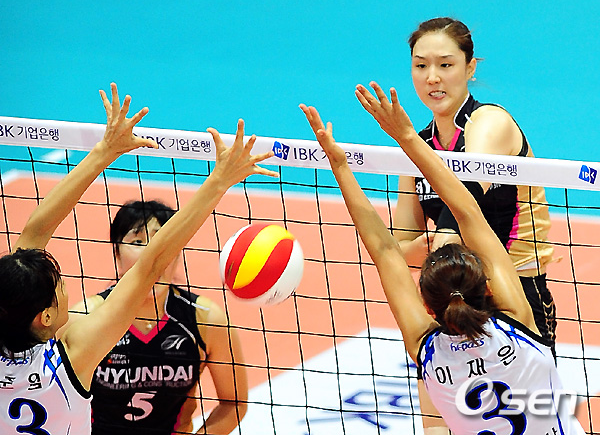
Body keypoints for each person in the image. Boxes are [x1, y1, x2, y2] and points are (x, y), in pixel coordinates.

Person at [0, 83, 277, 435]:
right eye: (60, 288)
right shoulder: (74, 353)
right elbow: (152, 264)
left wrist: (104, 151)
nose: (66, 288)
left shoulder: (21, 323)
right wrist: (219, 181)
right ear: (47, 316)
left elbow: (33, 236)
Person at [300, 91, 584, 434]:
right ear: (489, 287)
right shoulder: (518, 325)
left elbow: (385, 252)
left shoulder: (428, 352)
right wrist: (407, 136)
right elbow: (467, 211)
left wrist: (339, 166)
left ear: (427, 306)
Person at [368, 18, 555, 354]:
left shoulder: (490, 122)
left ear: (470, 68)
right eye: (421, 66)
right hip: (453, 297)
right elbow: (401, 247)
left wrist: (440, 241)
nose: (432, 77)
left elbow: (465, 193)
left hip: (516, 296)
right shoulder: (418, 146)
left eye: (445, 65)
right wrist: (426, 248)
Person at [63, 199, 248, 435]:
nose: (151, 253)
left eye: (162, 240)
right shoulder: (82, 319)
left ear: (177, 252)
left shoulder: (206, 319)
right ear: (116, 252)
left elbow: (234, 404)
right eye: (137, 242)